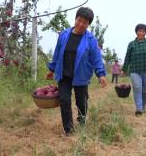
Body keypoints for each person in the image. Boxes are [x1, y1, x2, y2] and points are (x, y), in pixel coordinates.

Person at [46, 7, 107, 136]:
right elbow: (57, 54)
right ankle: (69, 129)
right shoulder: (63, 35)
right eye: (79, 20)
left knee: (81, 102)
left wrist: (101, 74)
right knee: (64, 101)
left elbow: (96, 58)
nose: (81, 24)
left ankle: (82, 121)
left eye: (85, 22)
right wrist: (51, 69)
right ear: (75, 19)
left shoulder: (91, 40)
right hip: (64, 75)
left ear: (88, 24)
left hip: (81, 76)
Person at [122, 24, 146, 116]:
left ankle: (143, 107)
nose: (141, 32)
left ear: (145, 33)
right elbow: (127, 58)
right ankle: (139, 109)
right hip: (135, 70)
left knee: (145, 90)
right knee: (137, 88)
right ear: (136, 32)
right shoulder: (131, 44)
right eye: (139, 31)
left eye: (143, 31)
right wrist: (124, 69)